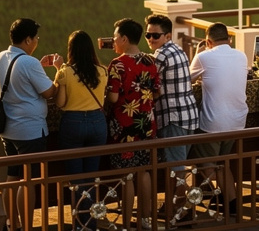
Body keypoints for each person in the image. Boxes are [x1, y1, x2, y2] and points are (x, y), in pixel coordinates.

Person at [0, 18, 60, 228]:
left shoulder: (0, 57)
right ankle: (28, 226)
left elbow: (9, 82)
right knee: (28, 180)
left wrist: (35, 68)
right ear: (28, 39)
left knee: (12, 177)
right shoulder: (28, 63)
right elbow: (50, 91)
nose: (37, 41)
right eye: (36, 38)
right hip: (30, 130)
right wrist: (58, 70)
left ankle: (13, 224)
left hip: (8, 129)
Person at [188, 22, 249, 214]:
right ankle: (230, 202)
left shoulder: (204, 56)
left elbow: (186, 79)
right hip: (238, 121)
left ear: (208, 41)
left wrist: (198, 54)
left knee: (206, 163)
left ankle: (221, 197)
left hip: (214, 123)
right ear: (229, 39)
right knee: (223, 162)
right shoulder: (241, 55)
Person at [106, 18, 162, 224]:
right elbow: (157, 93)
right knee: (144, 170)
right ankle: (146, 218)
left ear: (124, 38)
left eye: (115, 38)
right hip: (147, 123)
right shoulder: (151, 61)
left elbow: (112, 98)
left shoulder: (117, 64)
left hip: (125, 127)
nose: (113, 41)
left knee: (127, 175)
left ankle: (128, 221)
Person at [52, 30, 109, 228]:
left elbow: (60, 103)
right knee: (92, 177)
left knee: (76, 179)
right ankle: (91, 222)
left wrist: (58, 70)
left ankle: (81, 224)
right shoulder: (102, 71)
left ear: (71, 50)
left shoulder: (65, 72)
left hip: (73, 123)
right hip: (97, 123)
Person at [146, 15, 199, 163]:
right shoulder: (178, 49)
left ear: (168, 36)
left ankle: (180, 187)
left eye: (155, 35)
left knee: (175, 170)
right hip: (189, 115)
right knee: (179, 166)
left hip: (173, 119)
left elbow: (150, 87)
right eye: (148, 35)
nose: (150, 39)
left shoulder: (160, 55)